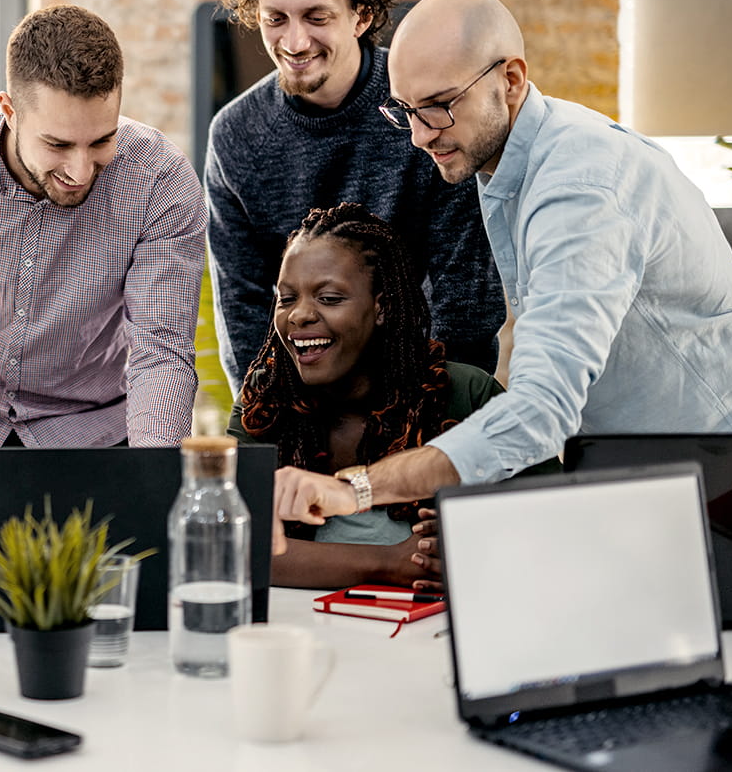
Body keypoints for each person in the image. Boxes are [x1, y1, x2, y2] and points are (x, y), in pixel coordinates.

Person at [274, 0, 732, 527]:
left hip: (730, 477)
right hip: (659, 473)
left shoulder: (581, 187)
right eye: (405, 110)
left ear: (511, 81)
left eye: (438, 107)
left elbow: (539, 411)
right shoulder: (502, 159)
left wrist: (356, 488)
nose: (419, 136)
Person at [0, 4, 206, 448]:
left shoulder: (158, 182)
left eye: (102, 140)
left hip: (88, 434)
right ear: (9, 110)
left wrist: (154, 481)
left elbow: (160, 349)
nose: (81, 170)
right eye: (57, 144)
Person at [206, 0, 505, 394]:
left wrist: (423, 416)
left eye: (316, 16)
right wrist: (276, 429)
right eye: (275, 18)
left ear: (361, 15)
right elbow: (243, 311)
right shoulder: (236, 136)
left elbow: (467, 296)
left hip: (423, 390)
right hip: (303, 402)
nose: (295, 41)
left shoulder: (427, 106)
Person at [230, 204, 552, 590]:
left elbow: (551, 522)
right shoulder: (267, 401)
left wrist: (473, 543)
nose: (299, 315)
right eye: (286, 298)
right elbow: (232, 546)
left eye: (329, 298)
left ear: (380, 307)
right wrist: (393, 563)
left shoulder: (462, 395)